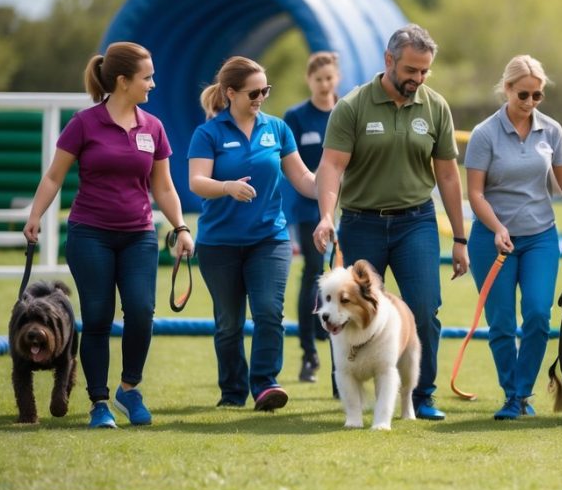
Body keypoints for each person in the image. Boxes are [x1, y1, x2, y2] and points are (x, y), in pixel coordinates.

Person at [23, 41, 194, 429]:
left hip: (139, 236)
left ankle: (129, 389)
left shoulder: (154, 127)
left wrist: (181, 227)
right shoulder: (84, 123)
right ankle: (99, 402)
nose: (153, 84)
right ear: (122, 81)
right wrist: (35, 216)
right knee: (97, 316)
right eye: (147, 77)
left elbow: (163, 186)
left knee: (141, 311)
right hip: (90, 235)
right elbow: (54, 176)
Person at [312, 24, 469, 421]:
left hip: (416, 222)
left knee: (424, 308)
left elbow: (448, 175)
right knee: (348, 305)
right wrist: (326, 216)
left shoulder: (436, 107)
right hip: (361, 222)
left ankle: (422, 395)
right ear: (389, 60)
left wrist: (460, 237)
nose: (418, 78)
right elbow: (331, 166)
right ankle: (350, 391)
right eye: (411, 70)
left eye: (425, 71)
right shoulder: (353, 106)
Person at [465, 55, 562, 420]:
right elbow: (475, 193)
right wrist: (498, 228)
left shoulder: (551, 130)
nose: (530, 102)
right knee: (502, 321)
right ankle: (512, 396)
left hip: (539, 237)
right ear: (507, 89)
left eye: (537, 95)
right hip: (493, 239)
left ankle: (522, 394)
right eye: (523, 94)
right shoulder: (484, 134)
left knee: (537, 314)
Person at [188, 56, 318, 412]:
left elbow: (303, 178)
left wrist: (331, 185)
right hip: (219, 244)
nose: (261, 97)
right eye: (254, 92)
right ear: (230, 93)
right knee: (229, 323)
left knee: (269, 311)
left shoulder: (277, 129)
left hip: (269, 239)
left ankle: (265, 384)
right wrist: (226, 186)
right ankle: (232, 391)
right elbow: (196, 181)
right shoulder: (208, 133)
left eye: (266, 90)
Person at [282, 51, 340, 384]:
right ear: (309, 81)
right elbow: (289, 164)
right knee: (315, 273)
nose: (324, 84)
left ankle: (341, 356)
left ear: (337, 78)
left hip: (348, 208)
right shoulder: (296, 117)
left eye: (329, 78)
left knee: (342, 276)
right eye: (318, 79)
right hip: (308, 209)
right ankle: (309, 354)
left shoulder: (345, 111)